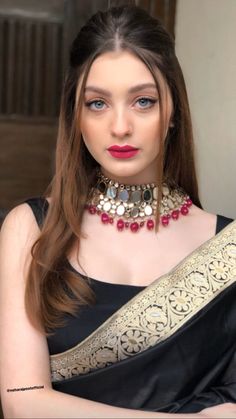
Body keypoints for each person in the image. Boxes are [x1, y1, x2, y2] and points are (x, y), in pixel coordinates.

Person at [0, 5, 235, 418]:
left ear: (173, 110)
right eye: (97, 104)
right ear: (76, 114)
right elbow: (23, 402)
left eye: (143, 101)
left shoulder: (229, 252)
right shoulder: (31, 228)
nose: (120, 126)